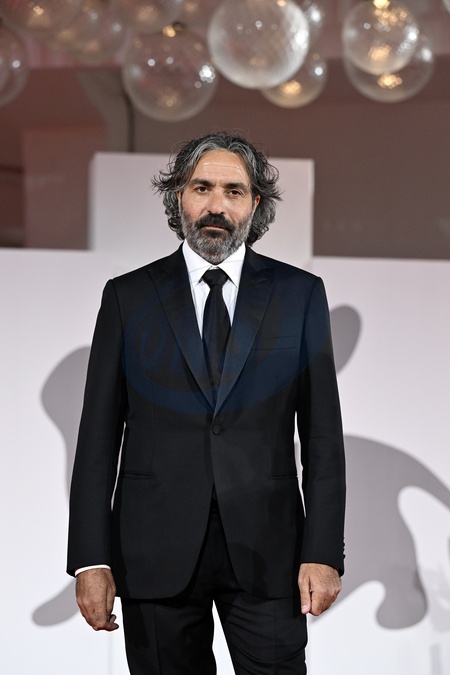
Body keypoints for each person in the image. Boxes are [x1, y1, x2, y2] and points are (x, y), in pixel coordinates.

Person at [67, 130, 346, 674]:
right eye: (202, 188)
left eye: (233, 191)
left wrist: (322, 552)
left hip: (269, 551)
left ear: (255, 204)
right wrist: (90, 559)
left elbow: (322, 437)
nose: (216, 205)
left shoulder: (299, 295)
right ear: (179, 197)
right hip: (154, 550)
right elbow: (98, 437)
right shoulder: (128, 297)